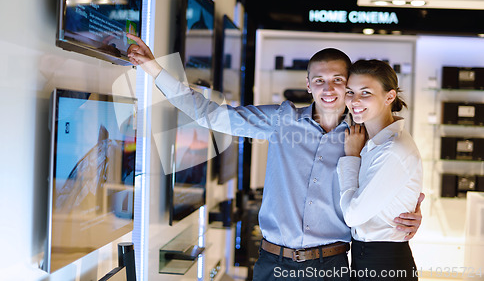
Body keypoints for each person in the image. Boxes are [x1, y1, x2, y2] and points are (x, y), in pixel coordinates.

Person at [126, 34, 423, 281]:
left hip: (330, 266)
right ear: (308, 85)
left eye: (337, 80)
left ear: (350, 85)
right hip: (273, 264)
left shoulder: (365, 137)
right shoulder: (281, 120)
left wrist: (416, 210)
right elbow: (211, 115)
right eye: (318, 80)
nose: (328, 89)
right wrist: (155, 70)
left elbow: (397, 175)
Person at [337, 59, 423, 280]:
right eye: (350, 92)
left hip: (384, 262)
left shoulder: (392, 149)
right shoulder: (368, 139)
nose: (354, 100)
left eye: (365, 93)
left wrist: (351, 158)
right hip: (366, 257)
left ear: (389, 97)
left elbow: (353, 215)